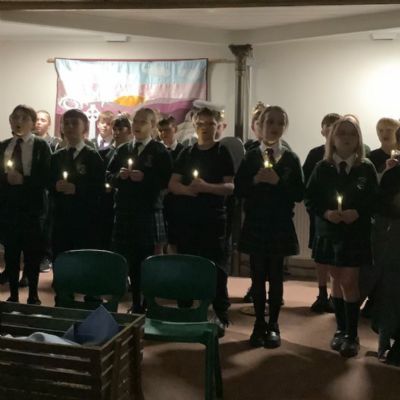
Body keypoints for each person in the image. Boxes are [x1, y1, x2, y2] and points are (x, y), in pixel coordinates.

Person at [305, 116, 378, 357]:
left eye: (352, 134)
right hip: (330, 232)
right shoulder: (322, 167)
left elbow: (373, 200)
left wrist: (357, 212)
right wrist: (327, 213)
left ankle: (352, 334)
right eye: (341, 133)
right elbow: (310, 198)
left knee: (349, 281)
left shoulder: (365, 167)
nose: (346, 138)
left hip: (355, 234)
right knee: (336, 280)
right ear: (332, 139)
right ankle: (341, 330)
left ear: (358, 139)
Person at [235, 105, 304, 348]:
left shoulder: (290, 158)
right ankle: (258, 324)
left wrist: (279, 181)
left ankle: (273, 324)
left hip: (279, 224)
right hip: (256, 222)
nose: (274, 127)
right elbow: (239, 189)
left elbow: (299, 193)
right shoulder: (251, 156)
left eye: (279, 123)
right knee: (257, 275)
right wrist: (254, 180)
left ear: (285, 127)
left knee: (275, 275)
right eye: (269, 122)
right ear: (260, 126)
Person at [169, 107, 234, 336]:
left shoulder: (222, 152)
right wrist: (188, 190)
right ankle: (185, 310)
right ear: (195, 126)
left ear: (218, 127)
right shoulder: (186, 153)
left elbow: (230, 186)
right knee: (186, 263)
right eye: (200, 124)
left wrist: (207, 187)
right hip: (188, 219)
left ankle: (220, 313)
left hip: (213, 218)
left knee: (216, 267)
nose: (205, 128)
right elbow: (173, 183)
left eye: (210, 124)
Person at [107, 108, 172, 313]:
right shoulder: (123, 149)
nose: (137, 125)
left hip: (148, 211)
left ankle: (148, 302)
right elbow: (108, 175)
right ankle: (135, 302)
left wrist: (145, 178)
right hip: (125, 210)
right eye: (135, 121)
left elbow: (166, 180)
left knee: (147, 260)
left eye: (143, 122)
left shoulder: (159, 151)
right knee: (129, 258)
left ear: (153, 126)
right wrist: (119, 177)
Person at [0, 104, 51, 304]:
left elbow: (46, 175)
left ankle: (33, 294)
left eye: (24, 118)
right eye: (15, 117)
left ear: (32, 123)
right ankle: (13, 294)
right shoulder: (4, 146)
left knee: (32, 253)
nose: (18, 121)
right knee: (11, 253)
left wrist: (24, 180)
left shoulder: (40, 146)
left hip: (32, 208)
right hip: (9, 208)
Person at [49, 109, 104, 260]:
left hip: (84, 217)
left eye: (74, 123)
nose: (70, 127)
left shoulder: (92, 156)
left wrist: (77, 189)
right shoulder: (57, 156)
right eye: (66, 123)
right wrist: (55, 186)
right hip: (61, 216)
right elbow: (48, 182)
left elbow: (99, 186)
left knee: (82, 257)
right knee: (61, 256)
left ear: (84, 128)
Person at [361, 117, 400, 318]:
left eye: (389, 130)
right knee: (379, 263)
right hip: (385, 222)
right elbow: (375, 194)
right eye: (381, 130)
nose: (385, 134)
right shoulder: (373, 158)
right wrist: (386, 172)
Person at [303, 113, 341, 313]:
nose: (332, 130)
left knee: (338, 255)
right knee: (320, 255)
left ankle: (336, 295)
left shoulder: (346, 154)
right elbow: (307, 184)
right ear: (322, 130)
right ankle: (322, 293)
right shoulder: (315, 154)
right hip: (320, 214)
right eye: (328, 126)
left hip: (342, 215)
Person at [371, 135, 400, 364]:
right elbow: (380, 208)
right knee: (391, 288)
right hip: (395, 238)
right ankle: (385, 340)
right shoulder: (392, 174)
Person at [97, 114, 133, 250]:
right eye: (115, 129)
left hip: (123, 201)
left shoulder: (132, 151)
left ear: (129, 131)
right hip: (106, 200)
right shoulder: (105, 152)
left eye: (121, 129)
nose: (116, 133)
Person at [158, 116, 184, 254]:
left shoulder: (182, 151)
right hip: (159, 198)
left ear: (175, 129)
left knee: (174, 236)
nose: (163, 133)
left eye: (167, 130)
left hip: (175, 199)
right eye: (160, 130)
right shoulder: (157, 150)